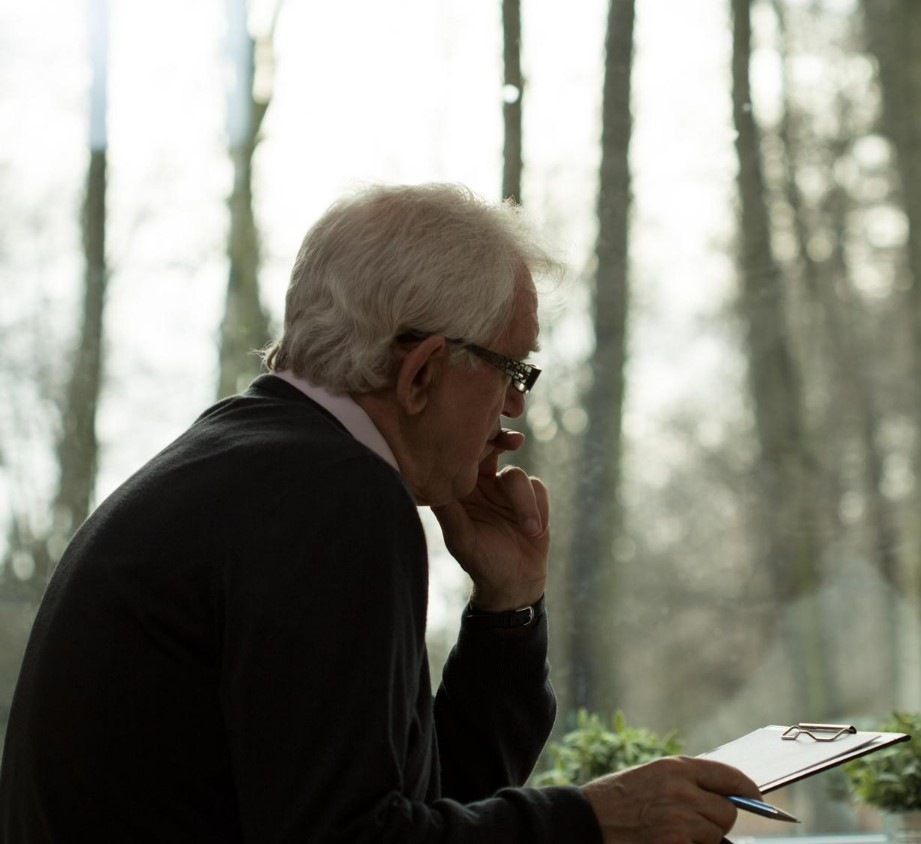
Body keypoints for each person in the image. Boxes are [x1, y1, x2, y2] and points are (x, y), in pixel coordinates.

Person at [0, 183, 759, 842]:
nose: (517, 412)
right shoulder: (333, 496)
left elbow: (423, 806)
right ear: (424, 371)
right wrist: (599, 822)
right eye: (513, 371)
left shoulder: (261, 465)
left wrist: (508, 609)